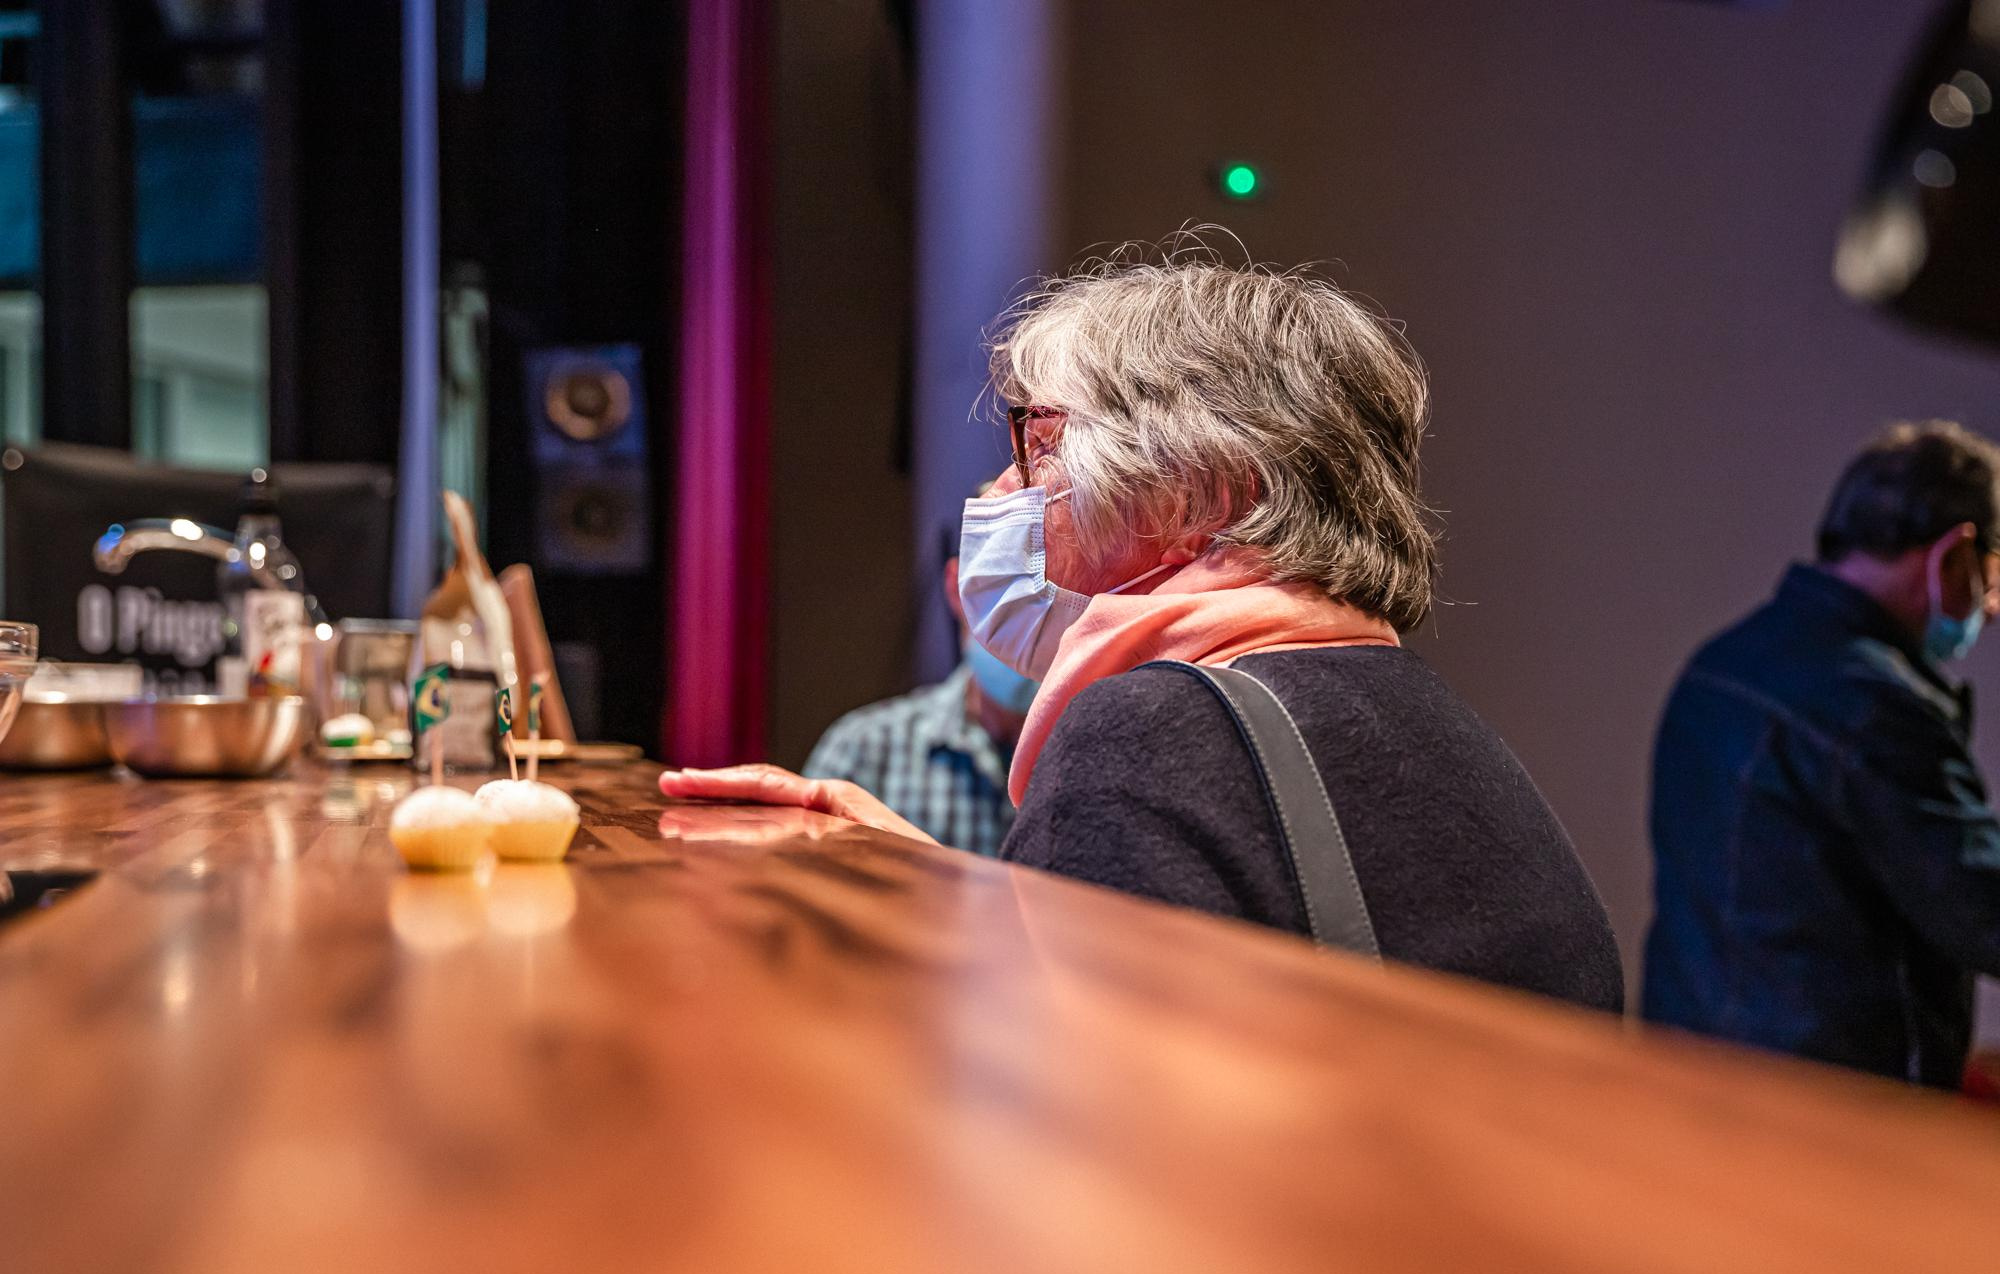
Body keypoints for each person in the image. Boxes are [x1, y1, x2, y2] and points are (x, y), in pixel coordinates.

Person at [663, 247, 1623, 1012]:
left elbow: (1092, 1146)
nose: (1003, 494)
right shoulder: (1425, 717)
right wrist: (944, 887)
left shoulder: (1154, 731)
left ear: (1198, 498)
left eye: (1042, 446)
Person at [1645, 421, 2000, 1087]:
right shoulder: (1875, 704)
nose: (1992, 607)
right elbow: (1984, 909)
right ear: (1955, 553)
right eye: (1994, 578)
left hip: (1691, 1078)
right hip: (1831, 1117)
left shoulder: (1719, 666)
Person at [800, 543, 1033, 857]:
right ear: (957, 585)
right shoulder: (864, 750)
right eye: (1004, 587)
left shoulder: (1100, 754)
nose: (1029, 623)